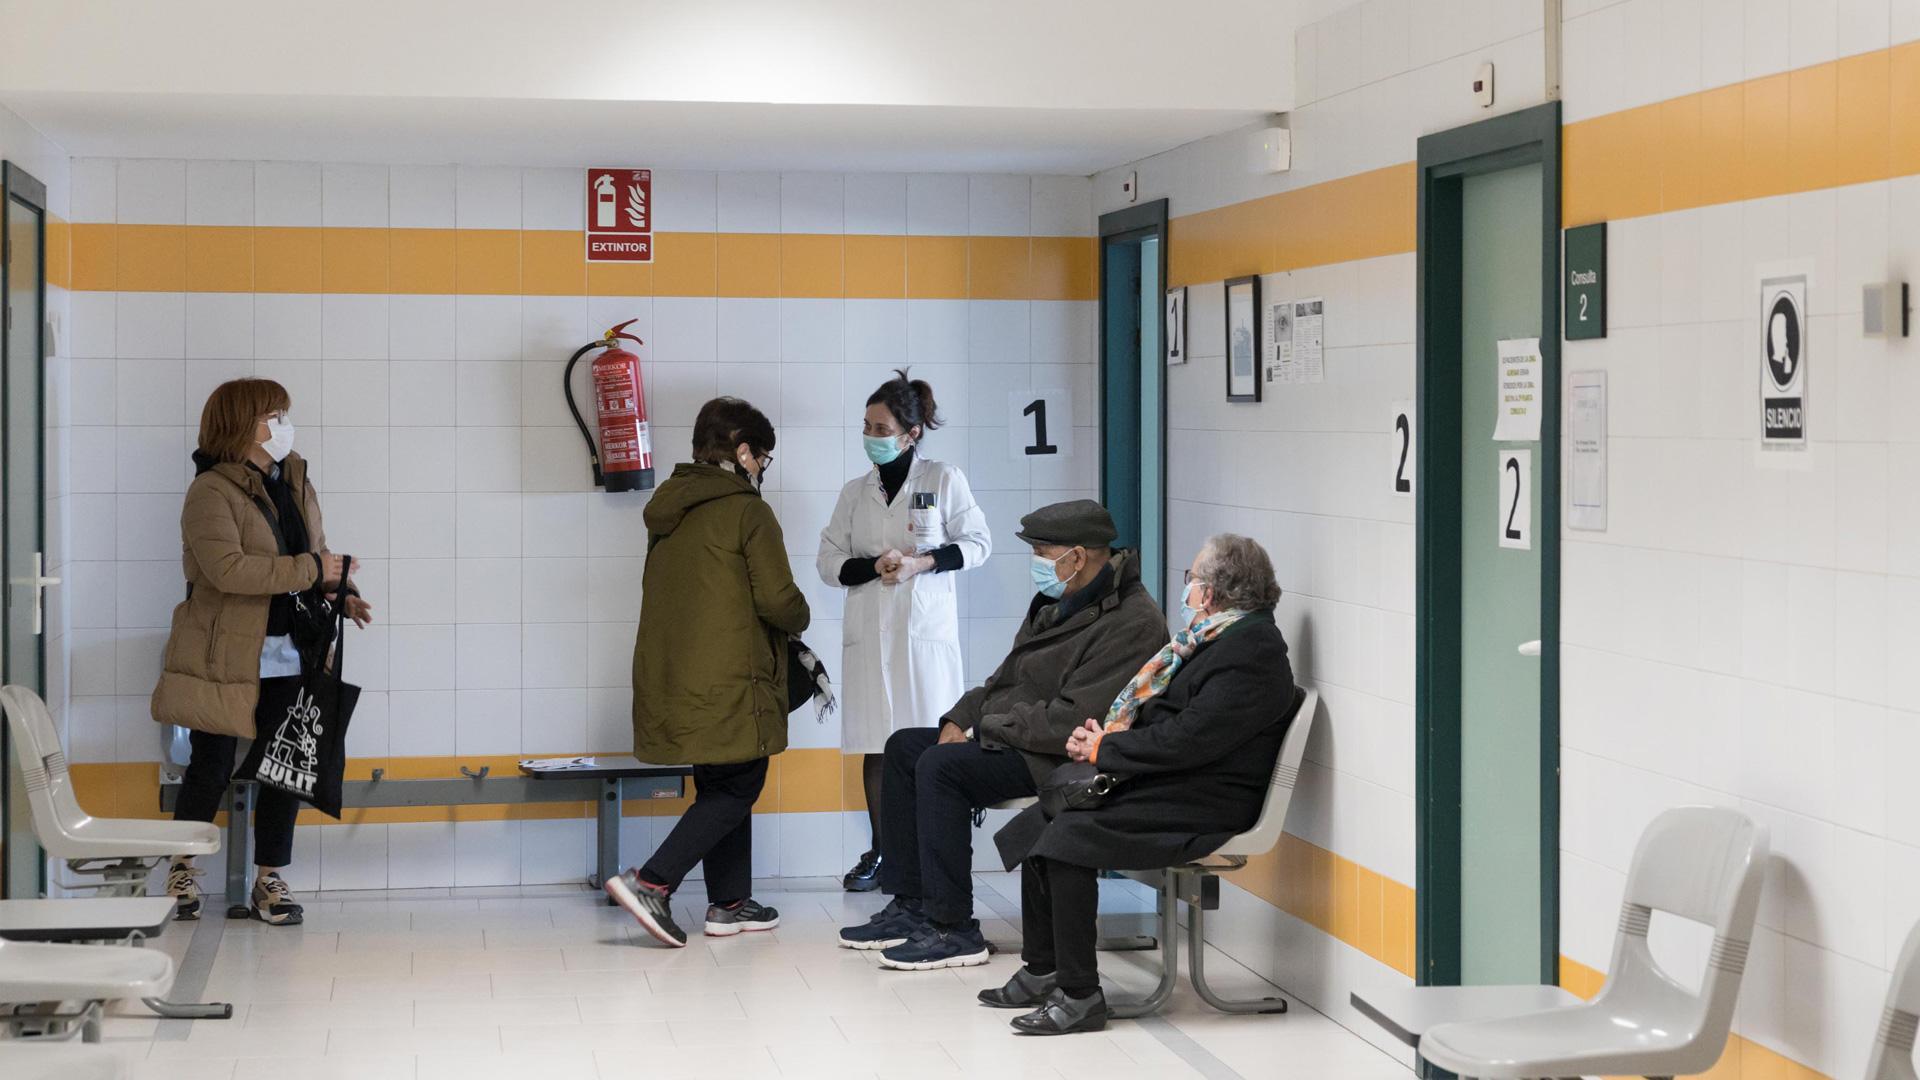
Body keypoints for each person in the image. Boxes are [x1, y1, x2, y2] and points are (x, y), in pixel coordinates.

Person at [982, 534, 1300, 1035]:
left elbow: (1190, 740)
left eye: (1192, 577)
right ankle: (1044, 969)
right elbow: (1174, 726)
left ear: (1213, 591)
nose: (1187, 586)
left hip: (1209, 801)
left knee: (1067, 837)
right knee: (1047, 814)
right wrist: (1106, 739)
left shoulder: (1251, 651)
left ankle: (1080, 995)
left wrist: (1104, 750)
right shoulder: (1217, 638)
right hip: (1181, 782)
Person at [837, 500, 1168, 970]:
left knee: (941, 767)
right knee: (906, 747)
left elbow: (1071, 721)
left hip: (1066, 757)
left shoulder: (1133, 623)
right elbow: (1005, 679)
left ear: (1076, 557)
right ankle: (913, 903)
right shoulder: (1059, 602)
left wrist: (986, 728)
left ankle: (953, 927)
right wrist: (960, 716)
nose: (1037, 562)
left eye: (1042, 551)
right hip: (1021, 735)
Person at [152, 378, 372, 925]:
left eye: (283, 412)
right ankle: (181, 870)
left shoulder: (293, 476)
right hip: (223, 651)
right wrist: (315, 570)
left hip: (293, 649)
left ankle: (269, 880)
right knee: (210, 764)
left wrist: (336, 592)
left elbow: (312, 553)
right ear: (241, 423)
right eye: (272, 414)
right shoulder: (209, 492)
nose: (282, 422)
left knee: (285, 767)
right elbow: (228, 571)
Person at [605, 397, 810, 947]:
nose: (761, 469)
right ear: (743, 452)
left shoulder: (670, 509)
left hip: (681, 675)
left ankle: (730, 903)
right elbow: (777, 599)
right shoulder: (748, 510)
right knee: (739, 784)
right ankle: (652, 882)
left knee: (721, 781)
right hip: (731, 678)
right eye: (761, 458)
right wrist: (802, 614)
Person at [817, 370, 990, 893]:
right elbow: (828, 562)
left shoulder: (943, 479)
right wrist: (876, 567)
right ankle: (883, 853)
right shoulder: (854, 492)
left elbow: (978, 544)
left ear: (911, 433)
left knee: (930, 746)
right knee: (877, 747)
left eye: (881, 426)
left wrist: (923, 564)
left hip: (922, 638)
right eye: (866, 426)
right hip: (871, 635)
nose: (871, 435)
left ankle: (931, 857)